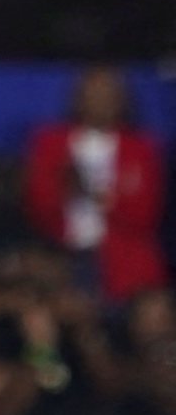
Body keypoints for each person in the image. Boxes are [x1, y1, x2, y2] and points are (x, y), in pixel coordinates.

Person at [24, 66, 164, 305]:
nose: (101, 101)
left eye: (108, 95)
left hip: (122, 262)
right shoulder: (51, 144)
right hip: (64, 258)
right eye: (93, 94)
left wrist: (91, 192)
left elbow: (144, 214)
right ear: (78, 98)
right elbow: (37, 205)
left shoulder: (142, 149)